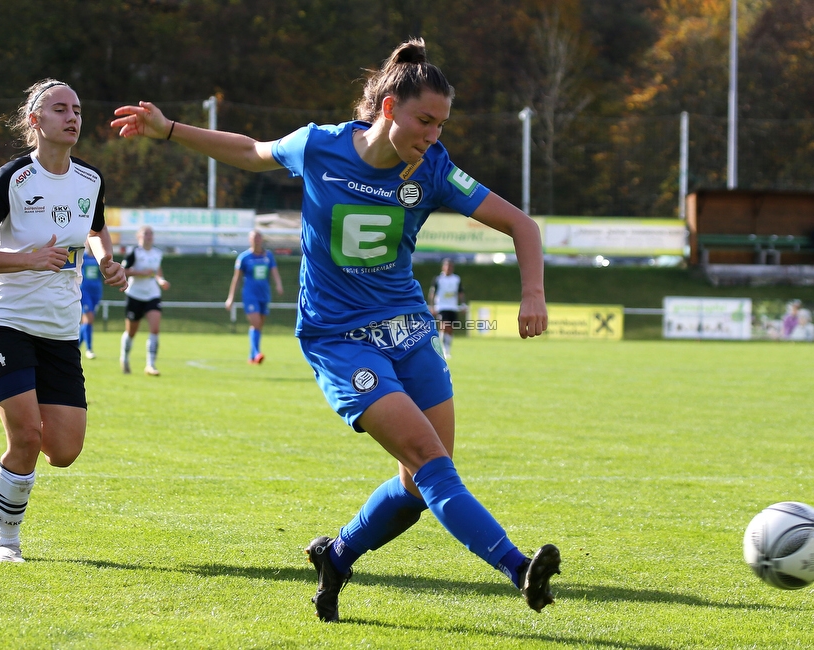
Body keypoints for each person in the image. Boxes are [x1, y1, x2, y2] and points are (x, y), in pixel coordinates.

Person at [111, 38, 559, 622]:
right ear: (390, 109)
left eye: (443, 124)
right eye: (426, 120)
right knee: (429, 459)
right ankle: (517, 567)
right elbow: (250, 150)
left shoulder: (436, 170)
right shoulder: (318, 145)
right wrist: (170, 129)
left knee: (422, 481)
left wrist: (533, 294)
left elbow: (522, 226)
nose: (435, 135)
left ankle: (338, 555)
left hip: (408, 331)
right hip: (338, 338)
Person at [0, 79, 127, 563]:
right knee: (26, 436)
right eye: (59, 109)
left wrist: (107, 260)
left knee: (64, 450)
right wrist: (29, 259)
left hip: (60, 330)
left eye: (77, 109)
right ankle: (6, 542)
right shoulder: (14, 178)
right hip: (3, 322)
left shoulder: (90, 179)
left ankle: (20, 423)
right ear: (35, 121)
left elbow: (94, 227)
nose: (72, 117)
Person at [225, 229, 285, 364]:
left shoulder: (268, 256)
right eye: (254, 237)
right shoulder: (244, 258)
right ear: (249, 240)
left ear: (262, 239)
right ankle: (257, 353)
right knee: (256, 323)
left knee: (258, 326)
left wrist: (279, 285)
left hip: (264, 295)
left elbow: (274, 272)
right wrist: (231, 298)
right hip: (250, 295)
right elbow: (236, 279)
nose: (257, 240)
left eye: (259, 237)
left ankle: (252, 356)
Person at [120, 225, 170, 376]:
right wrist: (140, 273)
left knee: (155, 329)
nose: (149, 236)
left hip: (152, 295)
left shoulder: (157, 253)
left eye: (151, 234)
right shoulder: (134, 252)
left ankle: (150, 365)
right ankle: (125, 357)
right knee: (131, 332)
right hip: (135, 295)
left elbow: (157, 272)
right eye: (146, 234)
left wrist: (161, 281)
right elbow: (124, 270)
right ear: (139, 236)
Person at [428, 258, 465, 359]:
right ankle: (443, 349)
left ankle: (447, 349)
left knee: (449, 329)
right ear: (443, 267)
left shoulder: (456, 279)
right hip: (441, 306)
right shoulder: (438, 279)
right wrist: (432, 306)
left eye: (450, 266)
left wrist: (462, 304)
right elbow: (432, 293)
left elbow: (460, 292)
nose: (448, 268)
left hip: (452, 307)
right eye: (447, 266)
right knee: (444, 326)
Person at [79, 240, 103, 359]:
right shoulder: (82, 257)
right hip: (85, 292)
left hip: (96, 292)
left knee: (89, 321)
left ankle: (76, 346)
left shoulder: (100, 258)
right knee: (88, 319)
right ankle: (89, 349)